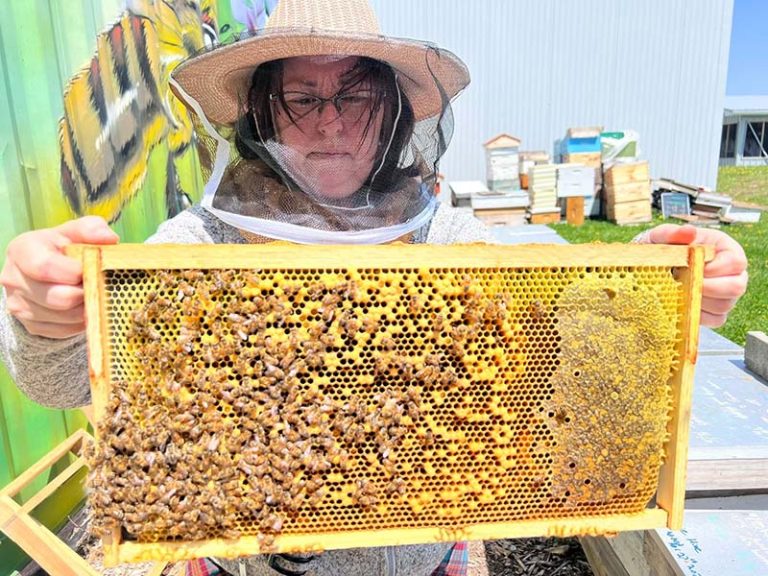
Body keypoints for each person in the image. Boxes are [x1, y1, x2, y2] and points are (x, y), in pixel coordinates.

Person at [0, 0, 748, 575]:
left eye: (354, 94)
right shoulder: (204, 243)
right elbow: (65, 382)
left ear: (392, 110)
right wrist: (50, 316)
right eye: (302, 97)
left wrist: (653, 299)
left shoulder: (443, 236)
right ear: (262, 111)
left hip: (431, 561)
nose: (329, 123)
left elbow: (553, 348)